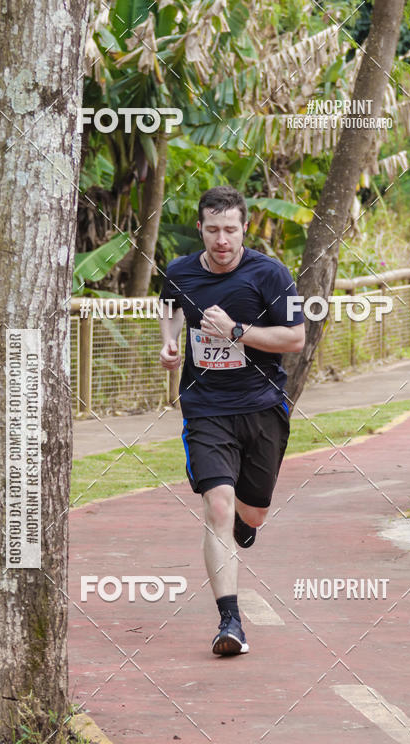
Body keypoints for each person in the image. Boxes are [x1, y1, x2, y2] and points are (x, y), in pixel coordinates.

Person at [158, 185, 304, 657]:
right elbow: (170, 308)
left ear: (244, 229)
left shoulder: (271, 273)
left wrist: (237, 332)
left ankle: (247, 523)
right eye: (213, 229)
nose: (222, 239)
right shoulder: (180, 271)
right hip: (206, 407)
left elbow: (296, 339)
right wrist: (169, 341)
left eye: (231, 230)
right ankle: (230, 623)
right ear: (201, 228)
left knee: (250, 512)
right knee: (217, 508)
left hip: (262, 405)